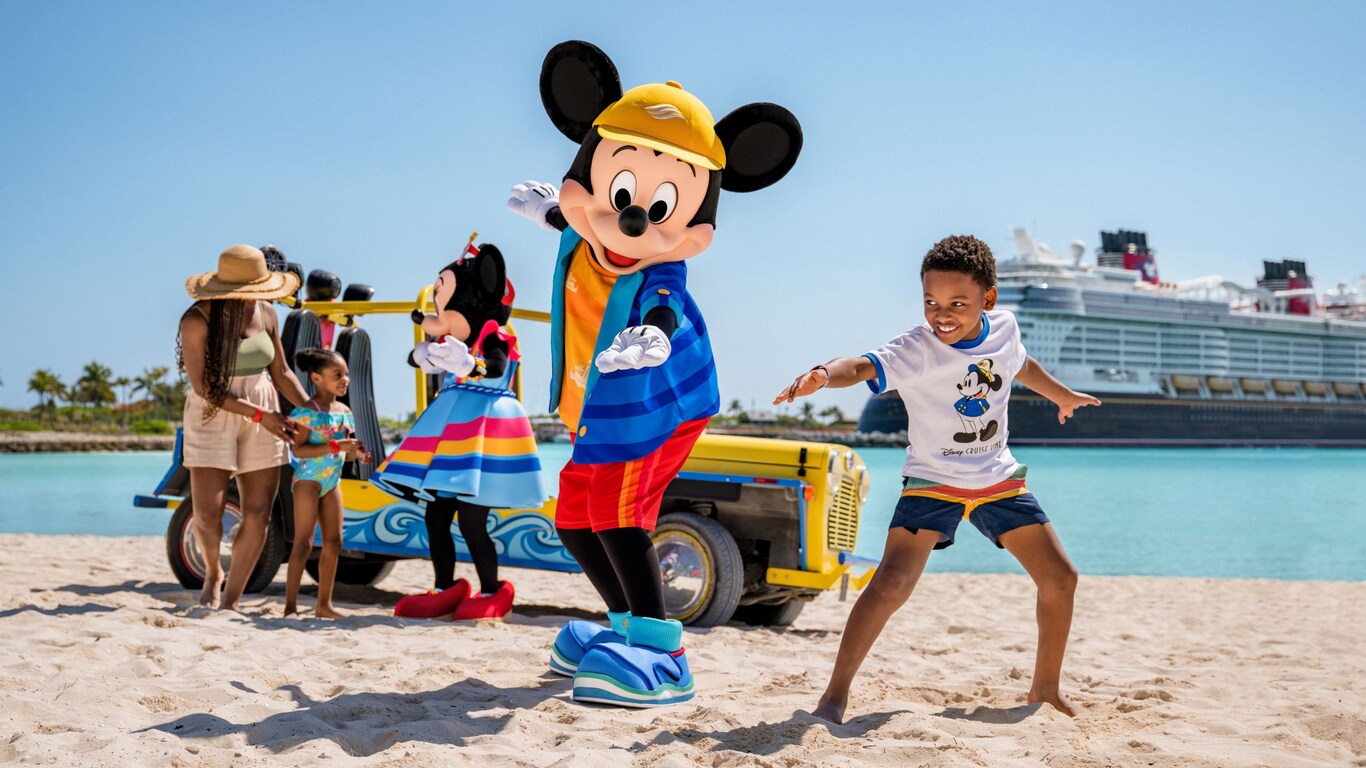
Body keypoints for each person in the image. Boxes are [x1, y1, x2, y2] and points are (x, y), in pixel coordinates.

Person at [773, 235, 1101, 723]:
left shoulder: (1006, 329)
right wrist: (824, 372)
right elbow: (862, 365)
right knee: (891, 584)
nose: (941, 314)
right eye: (931, 302)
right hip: (932, 481)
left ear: (988, 299)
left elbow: (1019, 365)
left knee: (1061, 579)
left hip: (997, 479)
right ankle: (834, 697)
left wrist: (1061, 395)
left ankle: (1046, 690)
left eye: (957, 303)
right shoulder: (916, 348)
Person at [374, 242, 547, 621]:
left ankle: (490, 590)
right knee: (435, 515)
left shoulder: (494, 334)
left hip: (485, 434)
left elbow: (497, 368)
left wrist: (470, 363)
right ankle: (444, 586)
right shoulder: (455, 344)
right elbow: (420, 359)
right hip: (453, 436)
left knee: (472, 521)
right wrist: (423, 355)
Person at [178, 244, 313, 610]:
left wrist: (313, 410)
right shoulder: (196, 320)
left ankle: (230, 600)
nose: (258, 297)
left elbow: (282, 372)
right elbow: (204, 388)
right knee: (207, 515)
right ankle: (212, 571)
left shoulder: (268, 313)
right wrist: (259, 415)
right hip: (213, 409)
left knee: (258, 514)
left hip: (263, 401)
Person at [283, 348, 372, 618]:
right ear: (316, 377)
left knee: (334, 542)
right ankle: (290, 607)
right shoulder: (305, 413)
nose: (345, 379)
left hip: (331, 482)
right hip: (308, 481)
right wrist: (335, 445)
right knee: (303, 544)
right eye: (337, 375)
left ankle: (324, 606)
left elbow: (346, 452)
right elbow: (297, 451)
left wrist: (358, 453)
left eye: (346, 374)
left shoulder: (345, 411)